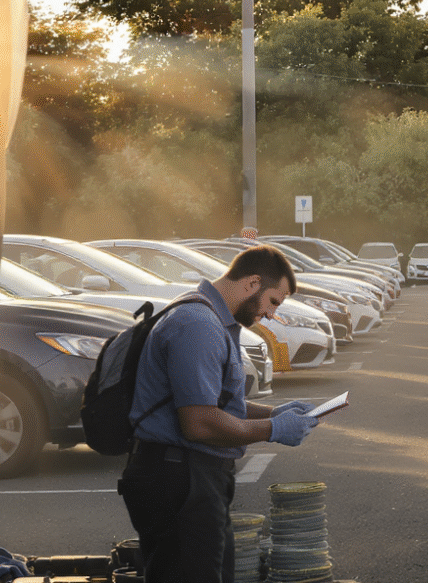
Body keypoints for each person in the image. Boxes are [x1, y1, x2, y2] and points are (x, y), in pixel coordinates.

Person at [118, 245, 322, 582]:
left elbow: (217, 405)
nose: (271, 315)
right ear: (252, 282)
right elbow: (199, 423)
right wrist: (272, 429)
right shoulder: (198, 325)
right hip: (180, 480)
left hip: (188, 477)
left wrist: (275, 412)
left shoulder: (208, 317)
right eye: (273, 301)